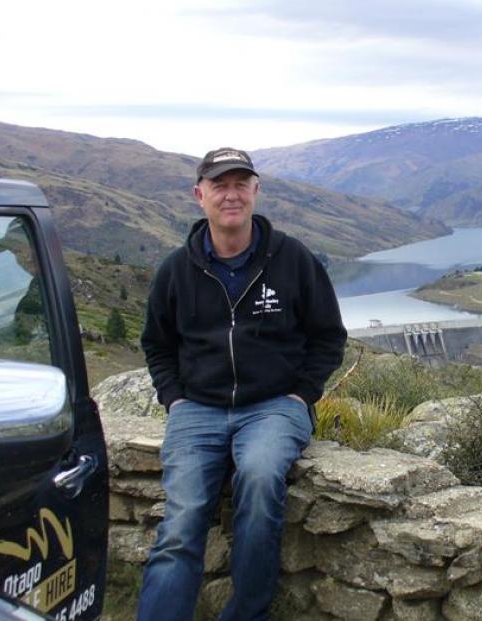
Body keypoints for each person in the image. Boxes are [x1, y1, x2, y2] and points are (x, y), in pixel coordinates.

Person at [137, 147, 346, 621]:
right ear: (199, 195)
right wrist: (173, 399)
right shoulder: (176, 269)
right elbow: (157, 344)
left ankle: (246, 613)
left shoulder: (292, 259)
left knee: (258, 477)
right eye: (219, 184)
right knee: (182, 519)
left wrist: (302, 393)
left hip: (275, 406)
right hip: (197, 409)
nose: (230, 194)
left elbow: (329, 335)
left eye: (240, 183)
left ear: (256, 190)